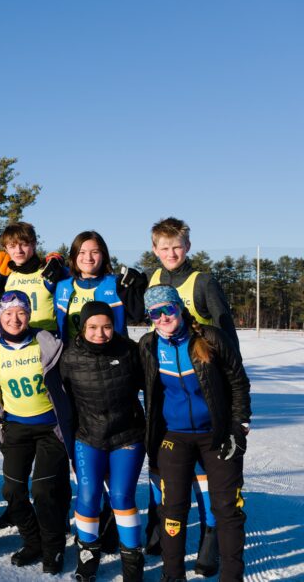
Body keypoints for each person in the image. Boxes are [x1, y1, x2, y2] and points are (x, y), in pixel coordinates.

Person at [144, 217, 238, 570]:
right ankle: (160, 527)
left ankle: (210, 537)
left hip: (206, 378)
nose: (171, 253)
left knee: (208, 477)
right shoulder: (154, 278)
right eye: (164, 248)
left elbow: (227, 334)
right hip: (174, 382)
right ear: (155, 249)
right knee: (170, 473)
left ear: (188, 246)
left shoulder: (203, 281)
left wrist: (229, 390)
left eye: (177, 246)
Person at [139, 285, 251, 582]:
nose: (163, 317)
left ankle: (232, 576)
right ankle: (172, 575)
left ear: (180, 308)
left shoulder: (209, 338)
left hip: (217, 435)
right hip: (173, 437)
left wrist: (238, 428)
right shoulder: (148, 345)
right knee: (172, 510)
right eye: (155, 312)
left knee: (227, 510)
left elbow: (238, 383)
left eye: (168, 309)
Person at [0, 291, 73, 574]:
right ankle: (34, 542)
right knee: (12, 490)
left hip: (48, 429)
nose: (14, 319)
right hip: (15, 428)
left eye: (20, 313)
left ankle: (53, 547)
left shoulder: (47, 344)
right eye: (8, 314)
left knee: (44, 491)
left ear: (29, 315)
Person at [61, 301, 146, 581]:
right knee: (88, 496)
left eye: (107, 326)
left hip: (126, 436)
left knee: (121, 497)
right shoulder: (69, 358)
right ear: (83, 327)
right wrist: (70, 450)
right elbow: (65, 408)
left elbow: (156, 387)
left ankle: (133, 565)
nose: (100, 333)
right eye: (93, 327)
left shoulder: (130, 351)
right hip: (88, 438)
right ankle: (87, 561)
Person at [54, 230, 146, 343]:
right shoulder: (62, 286)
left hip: (112, 356)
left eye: (95, 252)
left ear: (103, 255)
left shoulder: (117, 284)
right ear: (74, 256)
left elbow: (138, 316)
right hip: (73, 357)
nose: (88, 258)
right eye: (81, 252)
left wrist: (137, 290)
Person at [0, 222, 66, 332]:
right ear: (6, 249)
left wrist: (60, 260)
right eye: (12, 246)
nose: (18, 250)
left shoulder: (48, 271)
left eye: (24, 244)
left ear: (34, 244)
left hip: (47, 338)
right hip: (20, 339)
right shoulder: (10, 277)